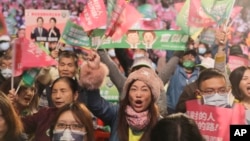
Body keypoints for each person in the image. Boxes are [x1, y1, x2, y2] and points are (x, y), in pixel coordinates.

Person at [79, 51, 164, 141]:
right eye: (134, 89)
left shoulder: (161, 124)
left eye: (144, 89)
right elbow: (95, 104)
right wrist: (93, 70)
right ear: (127, 94)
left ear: (152, 96)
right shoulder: (117, 114)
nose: (138, 94)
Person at [21, 77, 79, 141]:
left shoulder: (82, 117)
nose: (57, 96)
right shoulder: (45, 114)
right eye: (54, 92)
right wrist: (12, 106)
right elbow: (19, 125)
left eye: (63, 91)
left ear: (75, 95)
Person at [166, 49, 199, 114]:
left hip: (189, 110)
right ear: (181, 58)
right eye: (187, 55)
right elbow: (171, 61)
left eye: (192, 56)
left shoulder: (198, 73)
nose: (190, 57)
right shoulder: (175, 69)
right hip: (172, 108)